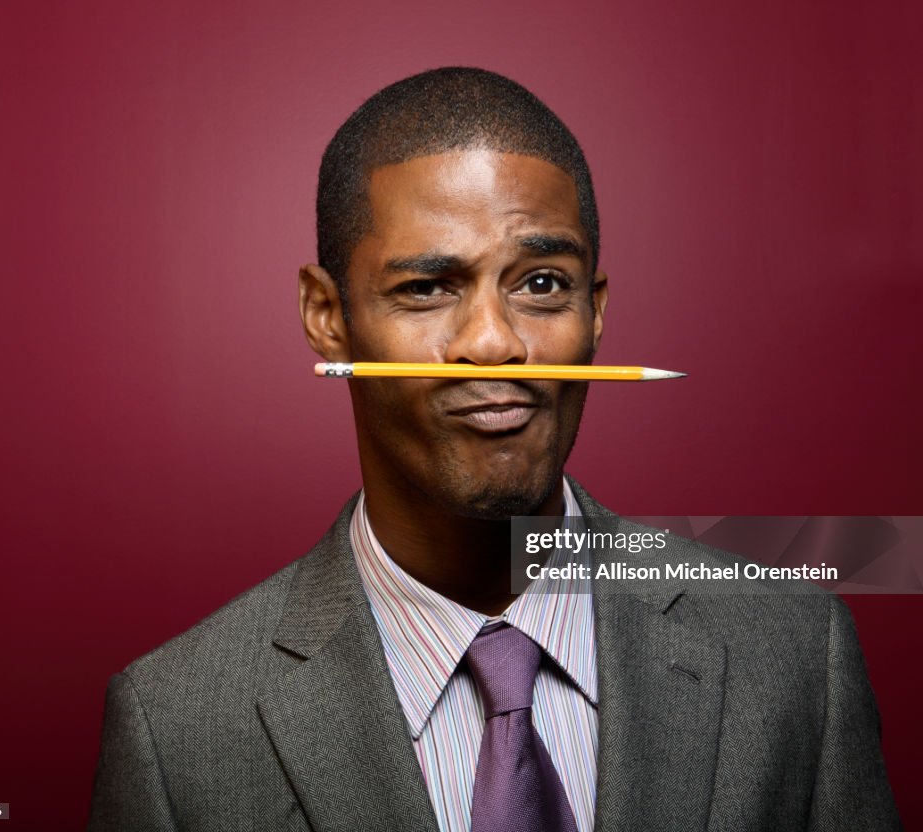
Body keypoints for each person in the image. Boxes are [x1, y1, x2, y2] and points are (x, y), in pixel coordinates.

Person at [88, 68, 900, 831]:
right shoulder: (177, 726)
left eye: (542, 282)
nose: (494, 342)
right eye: (427, 287)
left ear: (596, 309)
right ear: (328, 317)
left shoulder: (796, 652)